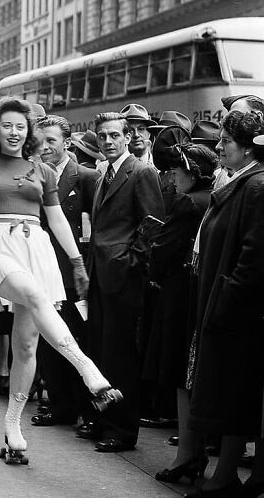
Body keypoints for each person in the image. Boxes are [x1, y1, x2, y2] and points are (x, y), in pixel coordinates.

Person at [0, 97, 122, 465]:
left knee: (26, 345)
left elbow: (56, 220)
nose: (13, 132)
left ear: (29, 131)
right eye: (6, 125)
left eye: (20, 126)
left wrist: (76, 263)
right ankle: (89, 372)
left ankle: (13, 425)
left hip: (36, 246)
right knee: (35, 295)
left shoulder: (43, 170)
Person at [187, 111, 264, 497]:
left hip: (239, 313)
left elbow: (254, 257)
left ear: (248, 147)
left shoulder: (256, 186)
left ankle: (227, 477)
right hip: (228, 307)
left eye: (226, 142)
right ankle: (226, 475)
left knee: (235, 394)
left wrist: (226, 297)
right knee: (230, 393)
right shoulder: (245, 182)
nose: (218, 148)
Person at [83, 112, 165, 454]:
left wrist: (132, 260)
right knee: (101, 349)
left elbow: (153, 221)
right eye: (103, 136)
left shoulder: (141, 171)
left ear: (128, 136)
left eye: (115, 135)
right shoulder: (106, 173)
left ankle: (122, 428)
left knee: (120, 354)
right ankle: (104, 418)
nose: (108, 141)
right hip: (101, 274)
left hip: (123, 276)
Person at [147, 142, 217, 486]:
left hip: (180, 293)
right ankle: (195, 450)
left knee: (179, 374)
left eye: (177, 172)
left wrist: (153, 272)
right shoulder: (214, 198)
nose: (172, 178)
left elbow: (163, 248)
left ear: (191, 174)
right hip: (199, 291)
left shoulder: (188, 203)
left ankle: (186, 456)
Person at [32, 114, 100, 428]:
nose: (44, 147)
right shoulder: (29, 174)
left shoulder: (85, 177)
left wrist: (82, 268)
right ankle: (59, 405)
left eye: (51, 141)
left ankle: (86, 409)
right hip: (39, 269)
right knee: (47, 339)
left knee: (78, 338)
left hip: (73, 273)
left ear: (67, 143)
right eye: (39, 141)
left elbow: (92, 227)